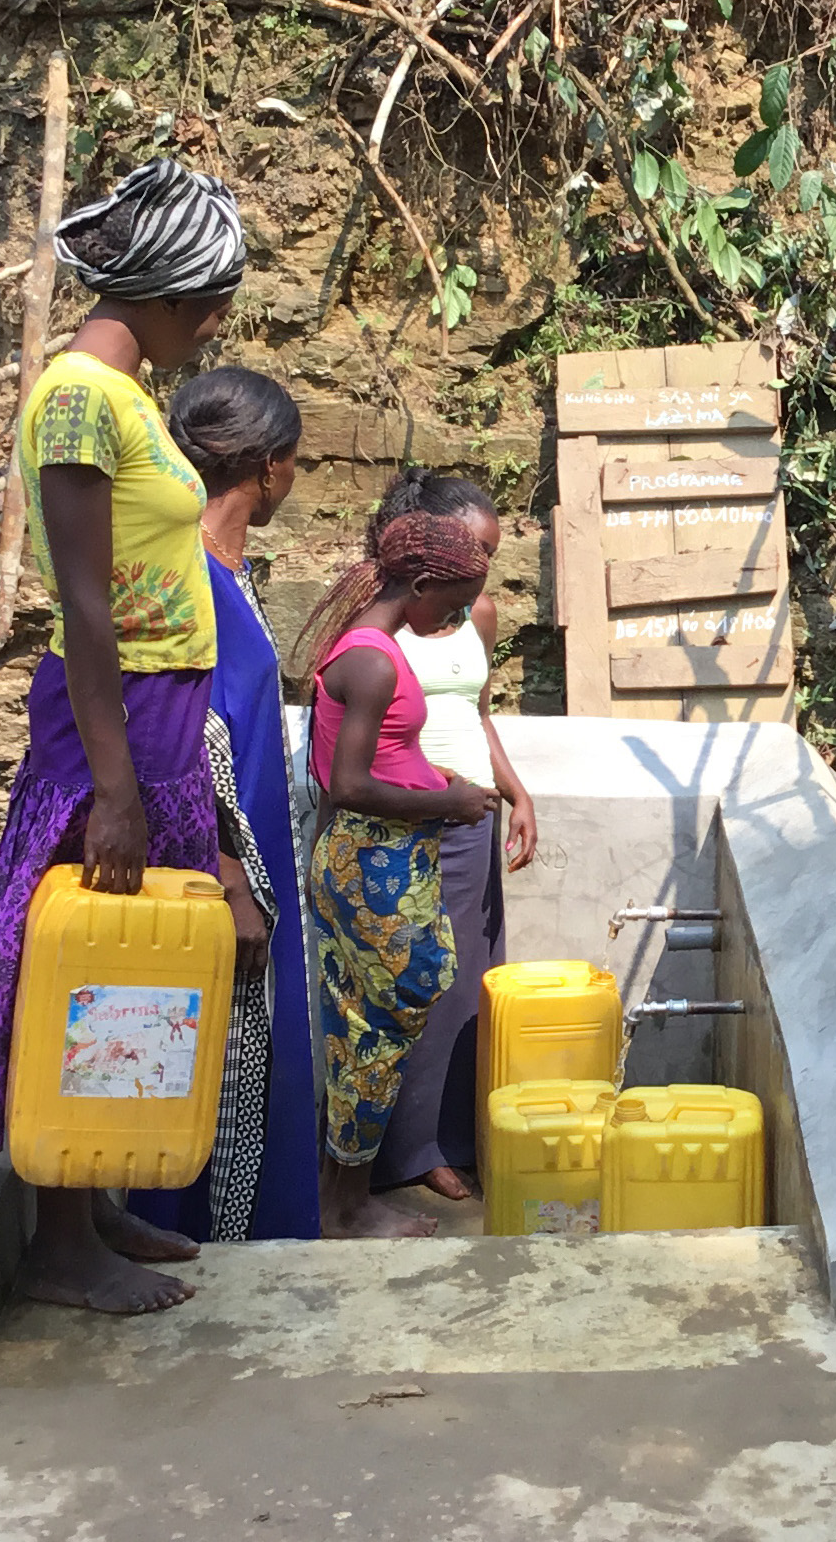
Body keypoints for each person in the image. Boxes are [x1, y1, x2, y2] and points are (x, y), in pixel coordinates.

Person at [0, 161, 271, 1315]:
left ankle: (95, 1203)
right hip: (118, 716)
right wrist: (115, 789)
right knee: (85, 962)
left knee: (134, 964)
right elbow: (85, 605)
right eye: (213, 303)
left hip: (157, 716)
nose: (216, 324)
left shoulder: (122, 397)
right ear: (170, 294)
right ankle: (59, 1238)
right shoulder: (82, 399)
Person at [124, 366, 320, 1243]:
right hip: (217, 874)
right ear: (267, 467)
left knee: (259, 1056)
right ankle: (216, 1253)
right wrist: (229, 876)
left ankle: (255, 1243)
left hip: (259, 860)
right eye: (295, 462)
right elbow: (176, 736)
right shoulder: (188, 576)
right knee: (219, 1065)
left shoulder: (228, 574)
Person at [296, 511, 498, 1237]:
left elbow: (378, 758)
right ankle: (348, 1205)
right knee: (375, 1030)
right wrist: (447, 801)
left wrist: (431, 777)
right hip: (374, 860)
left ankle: (340, 1195)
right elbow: (348, 783)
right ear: (417, 586)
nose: (452, 622)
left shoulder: (368, 649)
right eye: (450, 606)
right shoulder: (375, 661)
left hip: (379, 856)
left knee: (370, 1022)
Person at [369, 473, 538, 1206]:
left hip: (474, 819)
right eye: (473, 550)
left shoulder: (480, 616)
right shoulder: (384, 621)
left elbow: (476, 713)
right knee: (412, 984)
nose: (482, 570)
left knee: (467, 981)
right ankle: (403, 1151)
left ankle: (452, 1141)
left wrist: (517, 792)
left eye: (492, 556)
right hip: (409, 817)